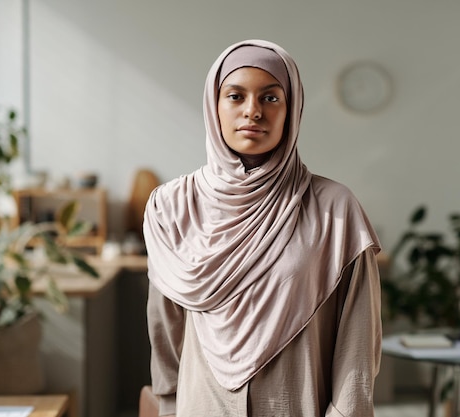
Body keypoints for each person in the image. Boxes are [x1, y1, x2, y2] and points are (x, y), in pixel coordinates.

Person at [143, 39, 382, 417]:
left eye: (271, 98)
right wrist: (171, 406)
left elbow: (358, 337)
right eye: (235, 96)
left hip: (296, 405)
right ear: (213, 106)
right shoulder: (171, 206)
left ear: (292, 110)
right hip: (201, 405)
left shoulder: (334, 208)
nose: (252, 112)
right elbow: (166, 326)